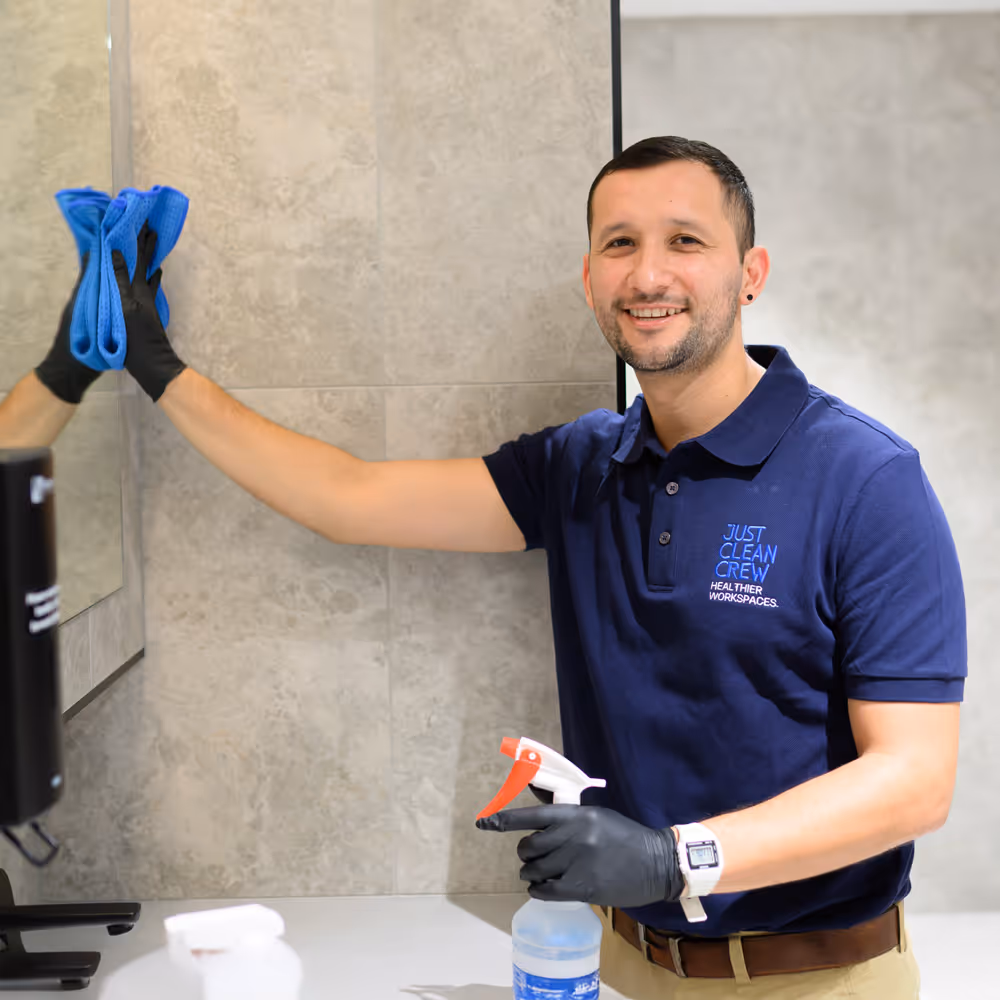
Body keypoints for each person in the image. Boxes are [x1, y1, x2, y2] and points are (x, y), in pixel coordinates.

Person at [12, 137, 965, 999]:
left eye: (686, 240)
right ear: (590, 278)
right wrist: (157, 364)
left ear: (749, 272)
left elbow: (914, 781)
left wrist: (679, 859)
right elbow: (346, 498)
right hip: (614, 966)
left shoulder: (864, 478)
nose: (650, 272)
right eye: (620, 243)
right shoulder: (583, 466)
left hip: (815, 982)